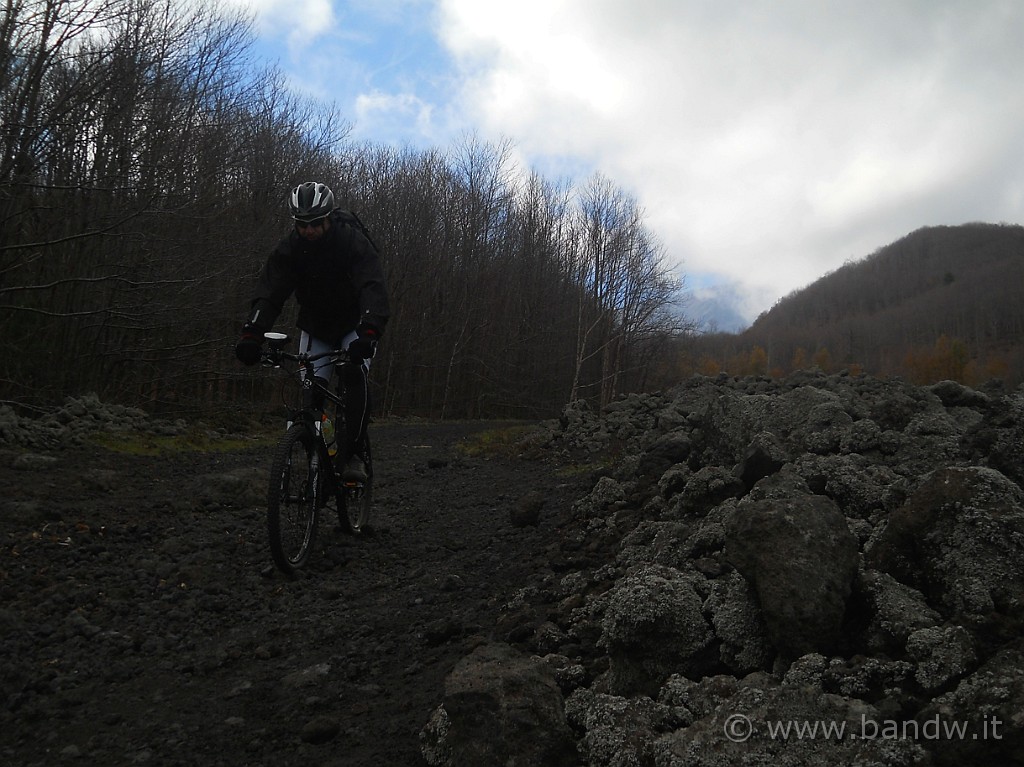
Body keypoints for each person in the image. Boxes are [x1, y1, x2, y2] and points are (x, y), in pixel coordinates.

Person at [235, 181, 390, 482]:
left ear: (329, 217)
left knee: (353, 375)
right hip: (316, 327)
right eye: (302, 224)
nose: (309, 230)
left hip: (352, 326)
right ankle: (320, 454)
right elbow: (271, 291)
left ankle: (355, 454)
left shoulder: (351, 242)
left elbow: (372, 284)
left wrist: (370, 330)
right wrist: (252, 332)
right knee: (311, 393)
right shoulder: (291, 249)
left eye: (316, 223)